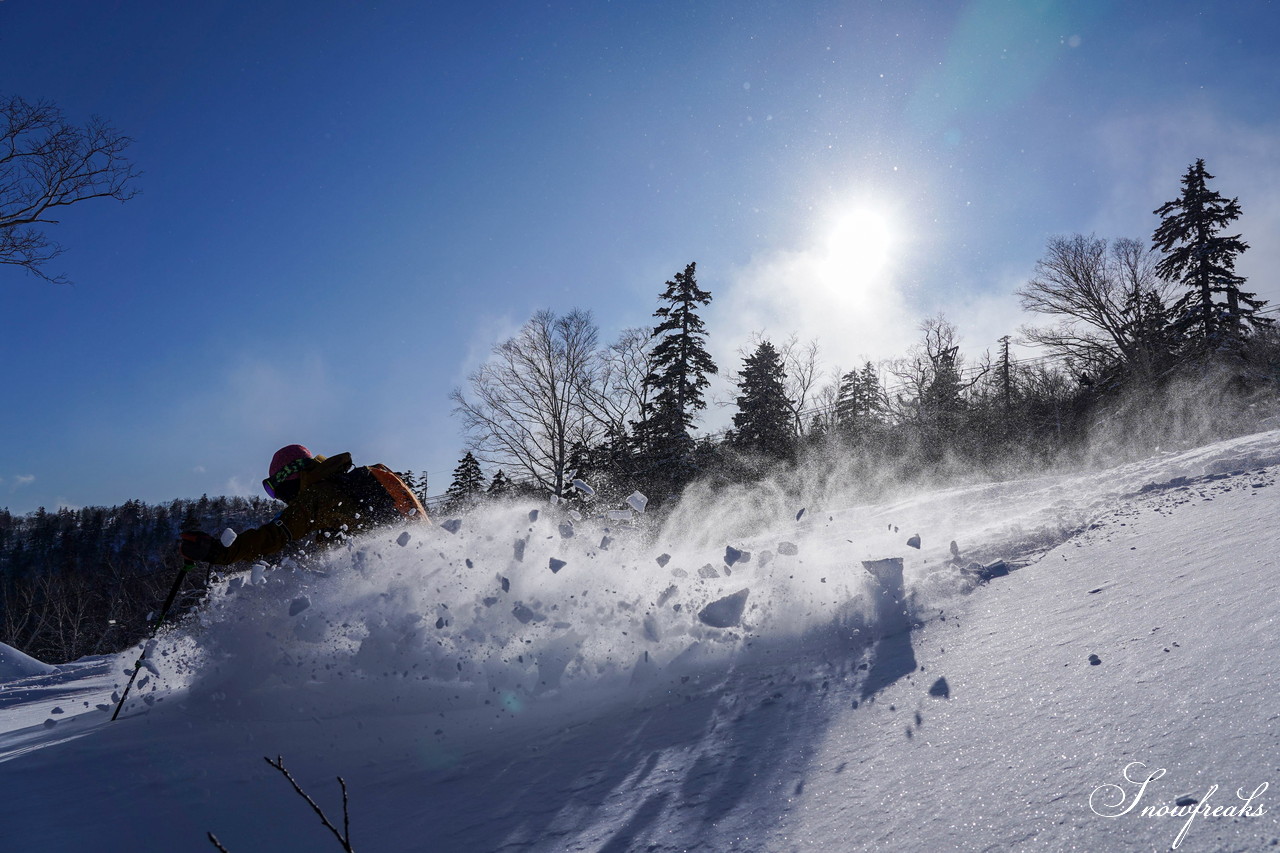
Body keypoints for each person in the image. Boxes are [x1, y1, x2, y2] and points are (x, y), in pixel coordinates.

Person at [180, 444, 429, 566]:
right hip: (405, 561)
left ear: (290, 475)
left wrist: (219, 553)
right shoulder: (337, 486)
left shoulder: (316, 496)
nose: (279, 497)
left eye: (275, 487)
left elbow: (275, 534)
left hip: (384, 570)